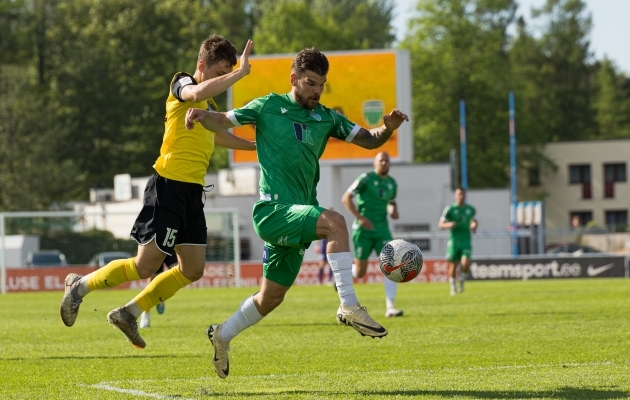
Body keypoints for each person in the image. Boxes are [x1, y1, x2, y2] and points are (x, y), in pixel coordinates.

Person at [184, 47, 409, 378]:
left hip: (297, 212)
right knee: (335, 222)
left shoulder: (327, 117)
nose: (316, 91)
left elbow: (370, 140)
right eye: (310, 83)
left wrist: (388, 128)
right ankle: (348, 304)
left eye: (321, 84)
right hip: (273, 210)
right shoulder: (267, 106)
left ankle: (221, 335)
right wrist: (200, 114)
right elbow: (224, 120)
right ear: (294, 79)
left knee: (270, 298)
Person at [60, 35, 256, 349]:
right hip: (167, 187)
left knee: (193, 269)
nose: (223, 80)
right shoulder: (183, 83)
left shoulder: (207, 105)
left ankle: (129, 312)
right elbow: (196, 92)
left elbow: (217, 136)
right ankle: (79, 287)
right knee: (144, 266)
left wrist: (257, 146)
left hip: (192, 194)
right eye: (220, 73)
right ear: (202, 65)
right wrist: (240, 73)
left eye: (226, 74)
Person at [341, 151, 402, 318]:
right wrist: (360, 218)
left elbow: (391, 203)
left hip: (382, 229)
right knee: (361, 272)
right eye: (381, 160)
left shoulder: (392, 183)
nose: (384, 163)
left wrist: (393, 211)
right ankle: (343, 274)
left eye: (387, 160)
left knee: (391, 265)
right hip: (363, 231)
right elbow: (346, 198)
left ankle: (390, 307)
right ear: (375, 163)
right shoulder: (365, 179)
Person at [438, 188, 478, 295]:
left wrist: (474, 225)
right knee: (454, 265)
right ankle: (453, 287)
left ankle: (462, 279)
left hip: (466, 240)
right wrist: (448, 225)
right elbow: (440, 224)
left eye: (463, 194)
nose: (461, 196)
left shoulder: (470, 209)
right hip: (454, 241)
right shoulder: (450, 209)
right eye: (459, 194)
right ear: (455, 196)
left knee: (465, 263)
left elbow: (474, 220)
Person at [139, 252, 178, 329]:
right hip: (157, 247)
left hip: (171, 246)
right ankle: (145, 315)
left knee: (178, 272)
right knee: (151, 284)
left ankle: (160, 295)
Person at [314, 207, 333, 285]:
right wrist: (317, 245)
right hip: (323, 242)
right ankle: (319, 280)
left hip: (330, 242)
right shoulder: (322, 221)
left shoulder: (334, 221)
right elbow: (318, 233)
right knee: (322, 262)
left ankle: (329, 280)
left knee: (330, 262)